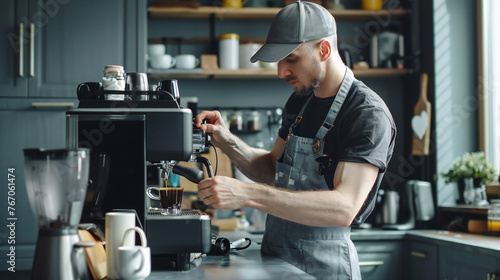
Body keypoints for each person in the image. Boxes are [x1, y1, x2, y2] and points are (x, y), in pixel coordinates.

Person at [195, 1, 396, 279]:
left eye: (291, 59)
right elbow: (271, 170)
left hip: (326, 269)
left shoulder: (366, 113)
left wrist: (246, 193)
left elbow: (344, 207)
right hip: (277, 263)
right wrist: (227, 141)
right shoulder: (300, 101)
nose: (281, 72)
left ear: (323, 50)